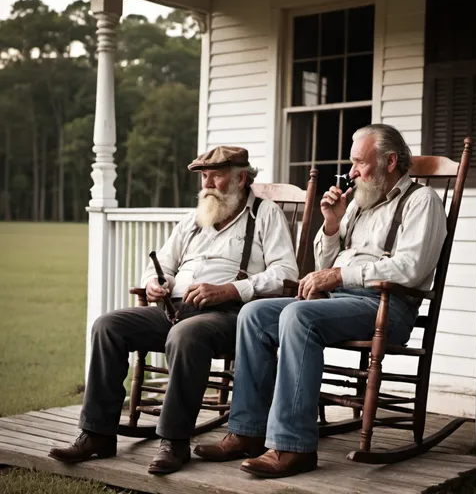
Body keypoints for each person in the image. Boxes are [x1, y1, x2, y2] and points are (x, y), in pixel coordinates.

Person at [194, 124, 448, 478]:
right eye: (352, 163)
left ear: (390, 161)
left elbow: (411, 267)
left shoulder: (422, 201)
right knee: (253, 314)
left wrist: (339, 276)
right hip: (339, 300)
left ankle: (292, 446)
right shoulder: (359, 204)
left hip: (387, 307)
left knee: (299, 317)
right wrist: (331, 226)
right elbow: (324, 266)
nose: (352, 171)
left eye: (360, 162)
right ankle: (248, 431)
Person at [49, 146, 299, 475]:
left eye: (216, 176)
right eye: (204, 176)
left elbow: (285, 274)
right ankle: (97, 433)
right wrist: (155, 283)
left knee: (185, 335)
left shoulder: (265, 215)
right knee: (107, 325)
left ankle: (173, 440)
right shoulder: (194, 219)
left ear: (241, 178)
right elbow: (162, 266)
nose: (208, 184)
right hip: (175, 308)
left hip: (231, 316)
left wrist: (230, 288)